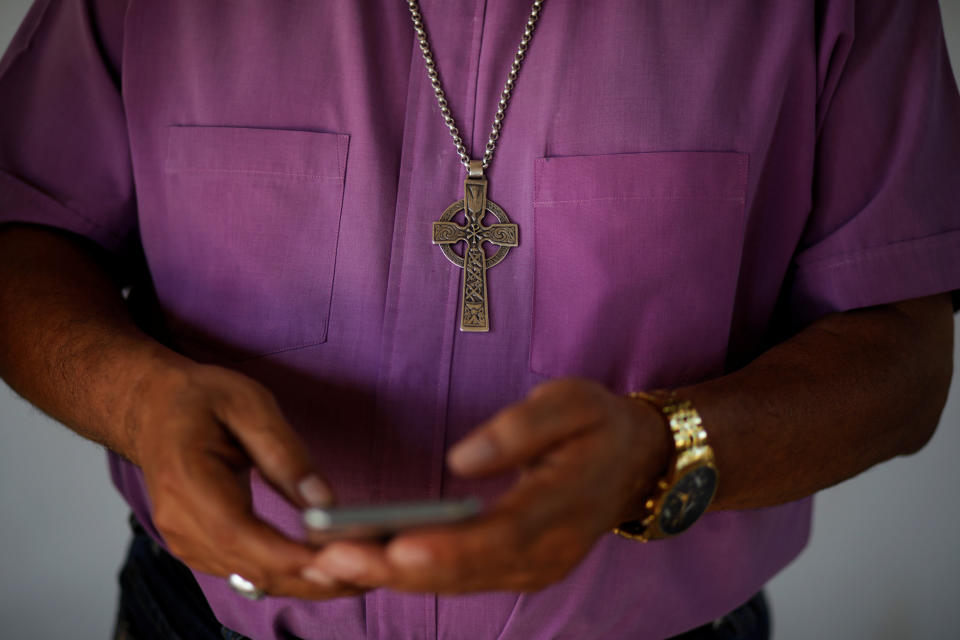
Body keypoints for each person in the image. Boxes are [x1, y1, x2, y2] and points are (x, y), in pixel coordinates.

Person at [0, 0, 958, 638]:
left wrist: (661, 452)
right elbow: (25, 236)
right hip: (202, 623)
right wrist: (137, 402)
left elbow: (904, 349)